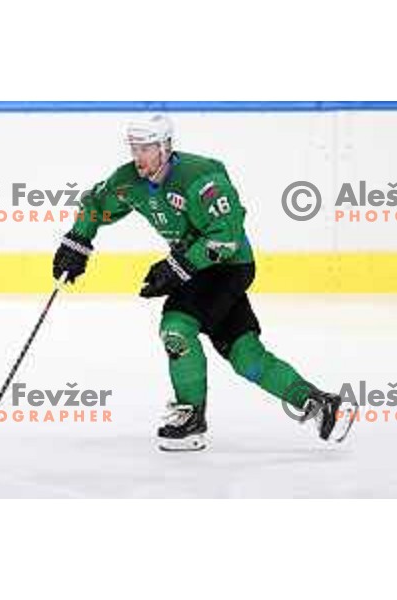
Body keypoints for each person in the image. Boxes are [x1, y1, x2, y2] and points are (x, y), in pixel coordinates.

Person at [52, 115, 354, 451]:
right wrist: (77, 242)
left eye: (147, 148)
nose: (139, 157)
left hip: (228, 266)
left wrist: (177, 266)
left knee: (176, 327)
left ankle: (191, 418)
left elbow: (228, 236)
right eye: (134, 148)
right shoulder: (130, 180)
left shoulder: (201, 179)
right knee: (245, 355)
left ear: (166, 147)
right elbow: (96, 204)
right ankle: (319, 402)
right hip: (195, 269)